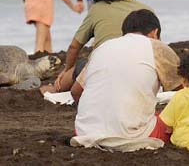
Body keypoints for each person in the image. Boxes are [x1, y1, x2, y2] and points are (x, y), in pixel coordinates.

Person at [71, 9, 182, 151]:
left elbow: (76, 91)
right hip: (134, 136)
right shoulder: (157, 46)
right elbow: (188, 91)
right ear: (155, 32)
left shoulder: (103, 48)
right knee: (174, 119)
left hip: (84, 133)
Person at [45, 0, 152, 94]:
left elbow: (74, 47)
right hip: (142, 68)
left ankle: (53, 89)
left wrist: (66, 70)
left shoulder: (97, 9)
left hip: (104, 68)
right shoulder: (146, 9)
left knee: (80, 66)